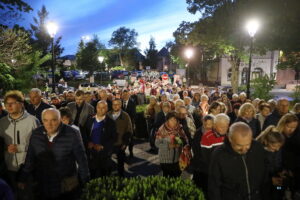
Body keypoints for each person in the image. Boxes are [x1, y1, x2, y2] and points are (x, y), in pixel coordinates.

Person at [18, 108, 90, 200]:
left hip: (65, 185)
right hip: (43, 184)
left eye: (53, 120)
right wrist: (22, 178)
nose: (49, 124)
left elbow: (82, 160)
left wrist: (86, 183)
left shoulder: (72, 133)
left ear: (60, 119)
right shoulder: (36, 134)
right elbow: (30, 158)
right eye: (45, 120)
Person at [208, 122, 269, 200]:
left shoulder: (258, 148)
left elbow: (265, 175)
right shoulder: (219, 154)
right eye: (239, 145)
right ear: (230, 138)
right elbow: (214, 185)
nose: (244, 149)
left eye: (247, 145)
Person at [0, 90, 40, 194]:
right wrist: (5, 148)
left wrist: (20, 148)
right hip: (8, 169)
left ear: (21, 104)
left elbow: (39, 144)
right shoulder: (2, 122)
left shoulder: (32, 121)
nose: (9, 106)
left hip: (27, 169)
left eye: (12, 103)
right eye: (6, 103)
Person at [198, 113, 230, 196]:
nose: (224, 129)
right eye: (221, 126)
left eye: (226, 126)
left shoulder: (230, 135)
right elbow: (206, 158)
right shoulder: (207, 137)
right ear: (215, 125)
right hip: (214, 172)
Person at [82, 101, 116, 178]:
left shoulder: (111, 122)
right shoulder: (90, 119)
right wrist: (88, 142)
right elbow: (84, 133)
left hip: (103, 153)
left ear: (107, 109)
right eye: (99, 107)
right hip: (90, 152)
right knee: (91, 173)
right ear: (96, 108)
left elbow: (113, 138)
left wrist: (103, 146)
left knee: (104, 174)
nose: (101, 110)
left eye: (103, 108)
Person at [155, 111, 188, 177]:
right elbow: (157, 143)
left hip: (177, 159)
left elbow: (184, 140)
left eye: (175, 120)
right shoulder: (162, 129)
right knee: (166, 178)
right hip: (165, 159)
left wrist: (180, 142)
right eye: (171, 120)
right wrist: (168, 146)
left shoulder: (179, 129)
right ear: (167, 120)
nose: (173, 122)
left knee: (176, 176)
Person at [256, 126, 285, 200]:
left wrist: (281, 172)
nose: (277, 149)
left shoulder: (278, 150)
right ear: (266, 142)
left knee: (279, 191)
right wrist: (270, 179)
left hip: (278, 180)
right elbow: (258, 173)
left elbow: (279, 162)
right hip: (266, 185)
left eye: (279, 146)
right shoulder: (260, 153)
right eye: (274, 146)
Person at [107, 99, 133, 177]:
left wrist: (125, 143)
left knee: (120, 163)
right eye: (114, 104)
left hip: (120, 143)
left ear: (120, 105)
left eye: (117, 104)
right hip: (109, 144)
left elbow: (129, 130)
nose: (115, 106)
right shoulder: (108, 115)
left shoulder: (125, 115)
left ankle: (121, 178)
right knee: (108, 163)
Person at [276, 113, 299, 197]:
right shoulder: (277, 136)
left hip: (294, 170)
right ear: (283, 124)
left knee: (292, 189)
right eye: (289, 127)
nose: (291, 130)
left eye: (294, 127)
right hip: (279, 171)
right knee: (279, 188)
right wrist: (281, 169)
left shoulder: (297, 137)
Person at [121, 90, 136, 158]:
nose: (125, 96)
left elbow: (134, 114)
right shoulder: (120, 102)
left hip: (130, 124)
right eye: (124, 95)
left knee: (130, 138)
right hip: (121, 125)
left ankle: (131, 151)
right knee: (122, 138)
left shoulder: (132, 102)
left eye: (126, 95)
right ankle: (122, 151)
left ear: (129, 95)